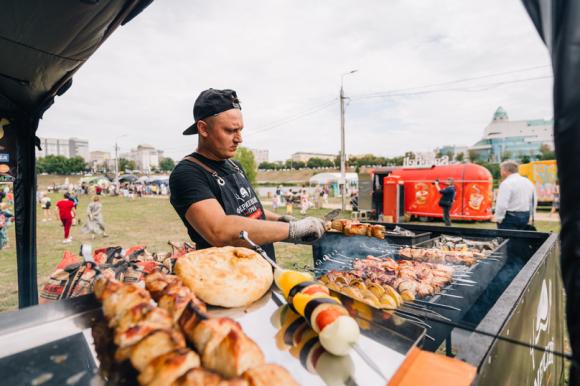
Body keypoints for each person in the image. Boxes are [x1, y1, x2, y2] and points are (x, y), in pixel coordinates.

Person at [170, 88, 325, 258]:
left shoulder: (234, 165)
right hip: (226, 278)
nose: (239, 139)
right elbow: (219, 230)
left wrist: (280, 220)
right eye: (230, 131)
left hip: (263, 270)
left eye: (240, 130)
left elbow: (251, 214)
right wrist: (292, 230)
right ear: (203, 129)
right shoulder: (187, 173)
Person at [494, 160, 536, 230]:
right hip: (525, 215)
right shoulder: (528, 181)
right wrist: (531, 215)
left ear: (505, 170)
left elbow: (502, 205)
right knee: (521, 240)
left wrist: (499, 218)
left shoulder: (506, 183)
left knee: (507, 239)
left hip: (510, 218)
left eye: (501, 170)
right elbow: (534, 201)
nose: (500, 172)